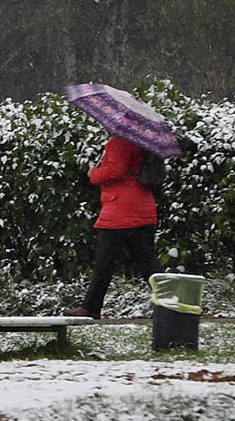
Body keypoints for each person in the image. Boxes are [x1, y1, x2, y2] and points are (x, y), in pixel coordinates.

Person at [64, 135, 163, 320]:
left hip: (120, 210)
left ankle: (90, 307)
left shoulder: (121, 140)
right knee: (147, 261)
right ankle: (172, 302)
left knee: (104, 262)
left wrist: (94, 173)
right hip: (141, 207)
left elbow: (114, 171)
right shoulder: (143, 140)